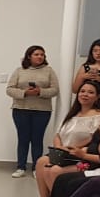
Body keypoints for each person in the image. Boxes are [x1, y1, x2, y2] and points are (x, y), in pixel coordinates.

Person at [34, 82, 100, 197]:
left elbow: (93, 139)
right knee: (41, 162)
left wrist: (70, 148)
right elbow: (58, 134)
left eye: (90, 92)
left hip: (78, 153)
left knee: (52, 169)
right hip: (62, 152)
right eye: (82, 91)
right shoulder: (72, 114)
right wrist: (59, 147)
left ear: (97, 97)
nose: (85, 94)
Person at [6, 45, 60, 177]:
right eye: (36, 54)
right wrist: (25, 92)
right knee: (23, 138)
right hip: (21, 109)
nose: (40, 57)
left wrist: (40, 91)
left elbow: (55, 90)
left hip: (42, 111)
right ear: (29, 56)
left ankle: (37, 168)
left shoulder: (49, 71)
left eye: (42, 54)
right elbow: (9, 89)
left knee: (37, 139)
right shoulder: (19, 70)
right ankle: (21, 167)